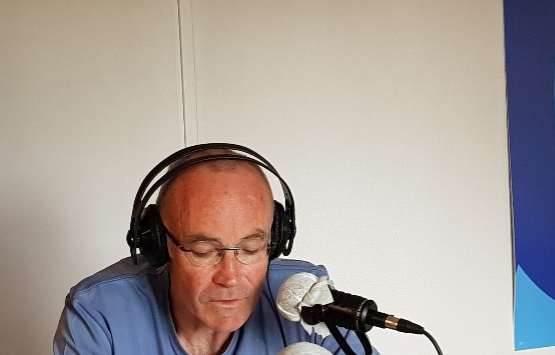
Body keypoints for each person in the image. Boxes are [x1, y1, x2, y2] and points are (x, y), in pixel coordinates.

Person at [54, 144, 377, 355]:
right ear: (159, 244)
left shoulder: (304, 298)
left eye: (251, 249)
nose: (230, 277)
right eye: (203, 251)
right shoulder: (100, 311)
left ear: (276, 240)